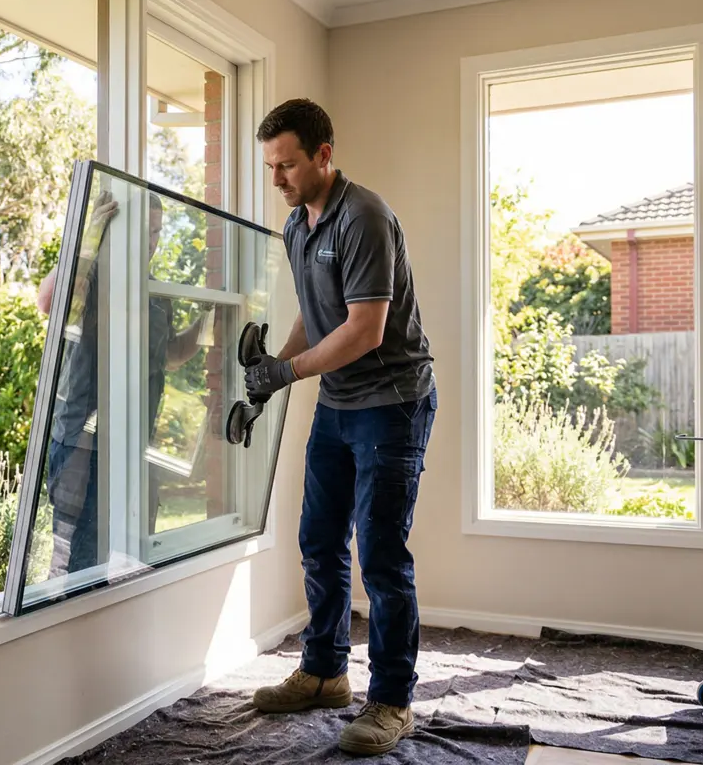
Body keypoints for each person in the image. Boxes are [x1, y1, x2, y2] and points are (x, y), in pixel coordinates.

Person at [244, 98, 437, 756]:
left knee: (380, 555)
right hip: (338, 404)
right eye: (271, 166)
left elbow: (364, 329)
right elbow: (316, 312)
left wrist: (288, 371)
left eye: (287, 165)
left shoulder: (365, 218)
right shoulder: (298, 224)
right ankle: (325, 673)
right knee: (319, 540)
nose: (277, 179)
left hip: (391, 402)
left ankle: (393, 701)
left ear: (324, 155)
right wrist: (276, 368)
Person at [36, 190, 211, 576]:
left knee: (131, 566)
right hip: (85, 449)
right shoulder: (95, 273)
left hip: (136, 448)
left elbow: (170, 356)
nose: (151, 241)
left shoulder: (156, 293)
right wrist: (90, 234)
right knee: (77, 570)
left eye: (156, 232)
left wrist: (207, 323)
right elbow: (49, 301)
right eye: (144, 231)